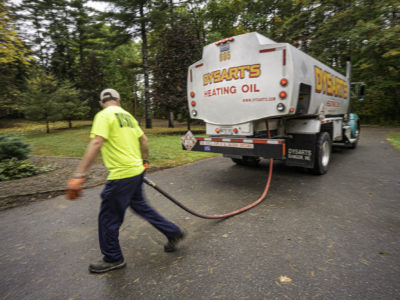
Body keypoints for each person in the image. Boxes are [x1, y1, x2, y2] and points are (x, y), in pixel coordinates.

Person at [66, 88, 185, 274]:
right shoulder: (128, 117)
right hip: (136, 171)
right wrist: (144, 162)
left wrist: (78, 175)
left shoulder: (104, 115)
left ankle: (113, 258)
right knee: (141, 206)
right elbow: (144, 140)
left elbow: (97, 142)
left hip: (121, 176)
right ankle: (172, 232)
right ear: (118, 100)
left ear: (101, 102)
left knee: (108, 218)